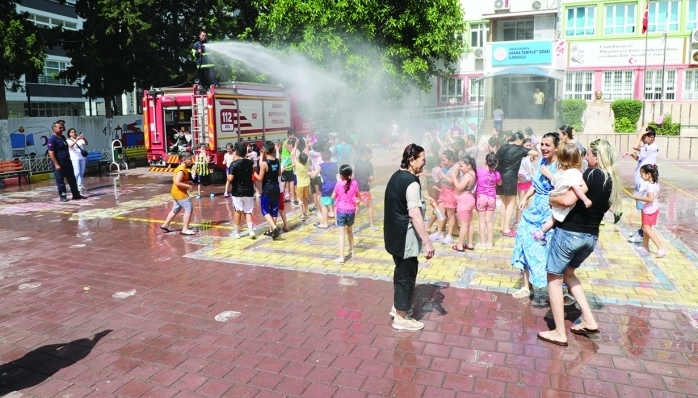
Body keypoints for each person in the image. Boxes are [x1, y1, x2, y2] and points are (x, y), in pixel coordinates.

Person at [537, 139, 622, 346]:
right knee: (569, 274)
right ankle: (589, 320)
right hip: (590, 238)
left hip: (570, 235)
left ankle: (559, 332)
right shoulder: (612, 180)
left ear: (596, 156)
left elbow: (567, 200)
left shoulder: (593, 174)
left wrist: (551, 197)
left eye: (588, 155)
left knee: (554, 279)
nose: (585, 159)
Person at [384, 143, 435, 331]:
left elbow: (399, 200)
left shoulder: (396, 176)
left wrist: (425, 198)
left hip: (393, 236)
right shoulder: (412, 182)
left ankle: (398, 307)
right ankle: (401, 317)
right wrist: (428, 242)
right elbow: (414, 214)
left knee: (400, 272)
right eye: (422, 159)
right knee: (406, 275)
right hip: (406, 237)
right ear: (412, 160)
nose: (424, 163)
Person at [511, 132, 560, 299]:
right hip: (533, 210)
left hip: (550, 211)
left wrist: (551, 176)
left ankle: (558, 289)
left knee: (547, 248)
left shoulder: (561, 165)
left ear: (556, 148)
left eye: (548, 145)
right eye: (542, 145)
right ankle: (527, 286)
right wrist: (525, 198)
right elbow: (535, 185)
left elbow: (566, 187)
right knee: (525, 242)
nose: (544, 148)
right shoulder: (541, 161)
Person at [532, 143, 593, 245]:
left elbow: (554, 181)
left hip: (555, 195)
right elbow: (576, 187)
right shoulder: (574, 172)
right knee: (556, 218)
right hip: (563, 199)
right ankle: (541, 233)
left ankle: (541, 232)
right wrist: (585, 199)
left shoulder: (560, 171)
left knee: (553, 218)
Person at [495, 131, 539, 237]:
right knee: (511, 203)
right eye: (522, 141)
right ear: (518, 140)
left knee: (504, 203)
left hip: (499, 176)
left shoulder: (502, 147)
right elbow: (535, 153)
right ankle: (506, 228)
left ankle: (502, 226)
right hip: (510, 177)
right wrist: (528, 148)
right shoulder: (519, 148)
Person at [625, 126, 659, 243]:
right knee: (642, 208)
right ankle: (642, 231)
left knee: (644, 208)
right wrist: (632, 155)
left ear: (652, 137)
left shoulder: (652, 147)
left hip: (645, 184)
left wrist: (640, 133)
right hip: (641, 182)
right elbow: (641, 159)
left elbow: (635, 146)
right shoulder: (647, 147)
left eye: (645, 137)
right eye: (642, 137)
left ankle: (642, 233)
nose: (643, 139)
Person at [631, 164, 667, 257]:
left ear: (649, 174)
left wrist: (638, 198)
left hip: (649, 210)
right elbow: (657, 196)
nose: (641, 176)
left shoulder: (650, 186)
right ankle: (645, 246)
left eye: (642, 174)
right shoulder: (655, 184)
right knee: (646, 229)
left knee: (647, 230)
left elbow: (650, 199)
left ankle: (661, 247)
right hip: (651, 208)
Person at [160, 152, 197, 235]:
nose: (191, 161)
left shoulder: (179, 168)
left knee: (175, 209)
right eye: (190, 159)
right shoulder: (181, 169)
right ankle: (185, 229)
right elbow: (177, 182)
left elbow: (174, 180)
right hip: (180, 193)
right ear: (184, 160)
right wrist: (188, 186)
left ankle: (165, 225)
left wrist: (187, 181)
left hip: (175, 192)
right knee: (189, 209)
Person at [47, 121, 85, 202]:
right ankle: (63, 196)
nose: (62, 129)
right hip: (59, 164)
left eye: (62, 127)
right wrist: (56, 164)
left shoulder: (63, 137)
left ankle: (76, 195)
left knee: (72, 179)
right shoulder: (52, 139)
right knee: (60, 181)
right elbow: (51, 152)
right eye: (60, 127)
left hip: (68, 163)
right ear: (54, 129)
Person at [429, 150, 459, 244]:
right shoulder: (445, 166)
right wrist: (436, 173)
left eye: (444, 160)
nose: (442, 162)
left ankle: (449, 235)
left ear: (450, 159)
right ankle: (439, 233)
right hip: (443, 191)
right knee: (440, 213)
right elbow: (439, 178)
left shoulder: (456, 166)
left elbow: (451, 181)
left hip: (451, 192)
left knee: (450, 214)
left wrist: (441, 174)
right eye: (441, 160)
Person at [227, 142, 256, 239]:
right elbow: (254, 173)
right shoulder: (250, 163)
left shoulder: (233, 164)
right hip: (249, 191)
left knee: (238, 211)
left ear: (236, 152)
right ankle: (251, 231)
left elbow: (230, 179)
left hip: (237, 191)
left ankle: (237, 232)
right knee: (248, 211)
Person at [254, 141, 282, 240]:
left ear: (265, 150)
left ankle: (274, 227)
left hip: (267, 189)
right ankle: (272, 231)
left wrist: (253, 173)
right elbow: (279, 174)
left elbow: (260, 178)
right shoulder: (277, 161)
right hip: (276, 188)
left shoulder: (264, 164)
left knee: (264, 209)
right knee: (274, 210)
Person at [332, 165, 358, 264]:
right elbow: (356, 194)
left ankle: (342, 257)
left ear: (341, 175)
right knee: (350, 231)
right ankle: (352, 250)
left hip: (341, 211)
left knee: (341, 235)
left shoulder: (338, 184)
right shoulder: (354, 183)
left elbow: (333, 196)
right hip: (351, 211)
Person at [475, 153, 502, 249]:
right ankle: (489, 243)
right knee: (489, 221)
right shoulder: (497, 174)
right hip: (491, 198)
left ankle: (482, 243)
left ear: (485, 161)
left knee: (482, 222)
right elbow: (499, 183)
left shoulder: (479, 171)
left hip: (481, 197)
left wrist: (484, 165)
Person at [452, 155, 477, 251]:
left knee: (464, 224)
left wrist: (454, 177)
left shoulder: (467, 175)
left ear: (469, 166)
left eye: (461, 166)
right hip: (469, 200)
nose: (460, 168)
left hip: (464, 202)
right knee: (469, 223)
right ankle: (469, 244)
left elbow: (459, 187)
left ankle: (460, 245)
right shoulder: (472, 173)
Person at [309, 149, 337, 229]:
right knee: (335, 204)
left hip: (326, 186)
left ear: (322, 157)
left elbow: (314, 175)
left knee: (324, 204)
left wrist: (309, 173)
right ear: (331, 156)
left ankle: (325, 223)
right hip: (335, 186)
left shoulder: (321, 166)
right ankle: (337, 222)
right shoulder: (335, 165)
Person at [353, 146, 378, 231]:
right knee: (369, 206)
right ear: (367, 154)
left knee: (356, 207)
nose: (371, 157)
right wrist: (369, 178)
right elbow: (371, 178)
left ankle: (352, 226)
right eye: (371, 155)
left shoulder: (357, 163)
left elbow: (353, 175)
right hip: (364, 188)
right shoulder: (369, 164)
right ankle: (372, 226)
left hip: (356, 188)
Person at [66, 128, 88, 193]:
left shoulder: (80, 139)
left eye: (75, 132)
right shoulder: (68, 140)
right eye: (72, 132)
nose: (74, 133)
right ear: (69, 134)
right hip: (74, 158)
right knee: (77, 172)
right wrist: (76, 140)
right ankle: (74, 185)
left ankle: (80, 185)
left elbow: (86, 143)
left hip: (82, 157)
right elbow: (70, 146)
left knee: (82, 172)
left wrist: (83, 138)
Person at [293, 142, 311, 220]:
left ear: (299, 159)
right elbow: (307, 153)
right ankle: (306, 212)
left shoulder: (298, 165)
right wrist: (306, 144)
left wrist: (296, 145)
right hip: (307, 184)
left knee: (300, 199)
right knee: (305, 198)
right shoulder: (307, 163)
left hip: (300, 185)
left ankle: (302, 214)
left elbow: (293, 154)